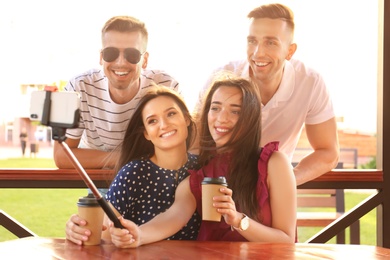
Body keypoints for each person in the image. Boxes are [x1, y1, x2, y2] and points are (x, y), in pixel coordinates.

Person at [106, 74, 297, 248]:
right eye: (215, 108)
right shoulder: (200, 172)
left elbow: (286, 239)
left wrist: (238, 220)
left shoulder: (273, 163)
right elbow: (173, 217)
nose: (221, 118)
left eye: (235, 111)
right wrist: (138, 234)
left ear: (250, 117)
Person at [194, 3, 339, 185]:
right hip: (219, 185)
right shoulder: (221, 77)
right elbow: (195, 142)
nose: (258, 52)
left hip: (271, 192)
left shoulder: (310, 82)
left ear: (290, 51)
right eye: (252, 41)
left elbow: (328, 152)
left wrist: (283, 182)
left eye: (271, 42)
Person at [65, 85, 201, 245]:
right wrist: (78, 230)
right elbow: (103, 231)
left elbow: (178, 214)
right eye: (152, 121)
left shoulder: (202, 167)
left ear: (186, 119)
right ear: (146, 133)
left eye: (171, 114)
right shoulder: (134, 173)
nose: (164, 125)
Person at [53, 16, 180, 169]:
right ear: (101, 57)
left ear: (144, 60)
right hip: (100, 181)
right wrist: (128, 159)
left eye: (131, 55)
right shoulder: (77, 86)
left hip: (154, 177)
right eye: (111, 53)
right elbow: (61, 156)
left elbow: (178, 146)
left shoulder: (166, 85)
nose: (120, 62)